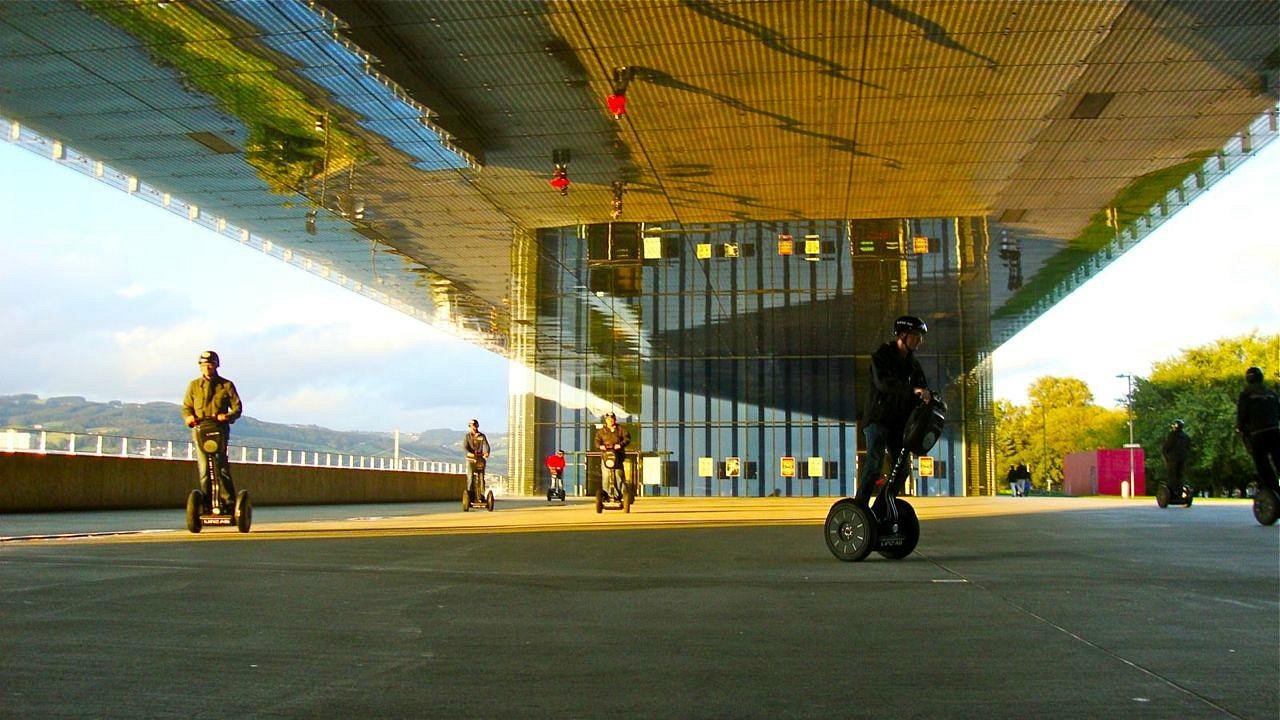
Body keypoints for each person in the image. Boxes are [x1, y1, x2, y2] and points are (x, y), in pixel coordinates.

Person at [855, 315, 931, 506]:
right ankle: (859, 508)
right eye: (916, 335)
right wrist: (913, 390)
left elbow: (923, 388)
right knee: (874, 465)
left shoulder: (914, 366)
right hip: (877, 420)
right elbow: (884, 384)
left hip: (898, 425)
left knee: (903, 469)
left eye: (921, 336)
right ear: (903, 335)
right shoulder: (881, 357)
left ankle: (882, 507)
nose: (920, 340)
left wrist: (930, 396)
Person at [181, 350, 242, 511]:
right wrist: (188, 418)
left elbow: (237, 408)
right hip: (200, 431)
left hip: (219, 430)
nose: (207, 368)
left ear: (216, 365)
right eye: (204, 365)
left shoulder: (226, 385)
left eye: (210, 365)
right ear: (200, 367)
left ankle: (228, 504)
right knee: (204, 470)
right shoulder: (194, 385)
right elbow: (186, 407)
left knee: (221, 467)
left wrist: (226, 416)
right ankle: (206, 505)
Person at [1236, 367, 1280, 497]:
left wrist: (1241, 428)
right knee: (1278, 458)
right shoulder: (1272, 393)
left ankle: (1274, 490)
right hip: (1274, 431)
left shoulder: (1246, 395)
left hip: (1257, 433)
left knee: (1262, 463)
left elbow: (1242, 416)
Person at [593, 413, 631, 501]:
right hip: (606, 456)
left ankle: (619, 495)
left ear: (615, 419)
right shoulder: (601, 431)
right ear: (606, 420)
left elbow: (627, 438)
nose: (611, 421)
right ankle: (606, 495)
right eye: (609, 419)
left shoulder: (620, 429)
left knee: (618, 475)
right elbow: (597, 441)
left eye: (612, 419)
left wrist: (620, 445)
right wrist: (600, 446)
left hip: (618, 456)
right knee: (606, 476)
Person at [1161, 419, 1192, 492]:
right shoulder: (1186, 436)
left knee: (1172, 475)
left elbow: (1167, 446)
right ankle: (1180, 490)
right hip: (1183, 459)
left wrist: (1165, 454)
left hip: (1173, 459)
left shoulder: (1173, 435)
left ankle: (1172, 491)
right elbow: (1188, 448)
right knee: (1180, 475)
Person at [464, 419, 490, 500]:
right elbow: (465, 447)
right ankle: (470, 497)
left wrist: (486, 452)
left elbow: (486, 446)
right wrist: (469, 453)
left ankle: (482, 497)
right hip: (471, 459)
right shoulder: (467, 436)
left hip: (480, 459)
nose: (473, 427)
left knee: (481, 477)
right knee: (470, 477)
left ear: (477, 426)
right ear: (469, 427)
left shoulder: (482, 436)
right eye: (472, 425)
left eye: (475, 425)